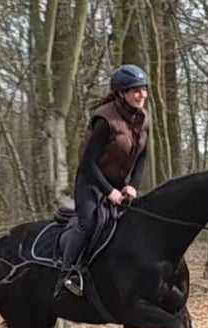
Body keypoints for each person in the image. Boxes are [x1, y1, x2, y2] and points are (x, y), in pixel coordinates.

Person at [54, 63, 150, 298]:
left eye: (144, 89)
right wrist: (108, 191)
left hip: (120, 186)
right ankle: (67, 274)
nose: (141, 95)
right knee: (89, 224)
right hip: (91, 184)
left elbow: (142, 156)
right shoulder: (104, 119)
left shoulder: (143, 118)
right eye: (135, 90)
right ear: (121, 93)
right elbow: (87, 164)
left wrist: (133, 185)